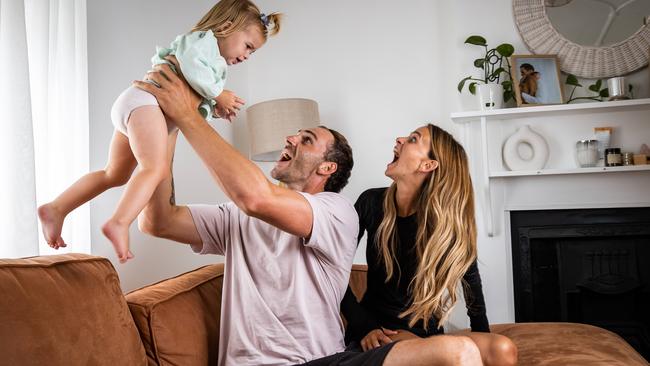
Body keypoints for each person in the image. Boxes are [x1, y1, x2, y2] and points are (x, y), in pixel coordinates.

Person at [135, 63, 493, 365]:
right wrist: (166, 128)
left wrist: (186, 114)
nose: (290, 138)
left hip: (322, 360)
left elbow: (255, 197)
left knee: (460, 350)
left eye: (306, 139)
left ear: (326, 168)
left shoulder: (336, 212)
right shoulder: (236, 216)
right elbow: (157, 220)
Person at [37, 0, 281, 263]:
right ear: (228, 25)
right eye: (247, 47)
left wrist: (215, 106)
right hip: (145, 105)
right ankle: (119, 222)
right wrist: (218, 94)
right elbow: (192, 69)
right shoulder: (202, 42)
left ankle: (57, 208)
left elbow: (192, 89)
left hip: (139, 107)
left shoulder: (212, 60)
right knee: (154, 169)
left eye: (251, 54)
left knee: (114, 174)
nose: (245, 56)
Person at [341, 124, 518, 366]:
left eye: (413, 139)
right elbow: (335, 271)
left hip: (430, 335)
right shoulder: (371, 202)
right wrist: (363, 326)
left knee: (502, 348)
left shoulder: (445, 224)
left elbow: (472, 287)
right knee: (426, 345)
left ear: (427, 165)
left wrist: (481, 338)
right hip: (383, 332)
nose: (400, 138)